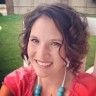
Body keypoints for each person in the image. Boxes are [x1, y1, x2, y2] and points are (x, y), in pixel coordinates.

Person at [0, 3, 96, 96]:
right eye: (35, 40)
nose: (41, 54)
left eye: (55, 43)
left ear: (73, 47)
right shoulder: (17, 82)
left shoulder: (90, 90)